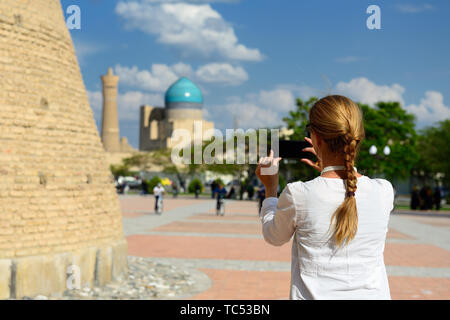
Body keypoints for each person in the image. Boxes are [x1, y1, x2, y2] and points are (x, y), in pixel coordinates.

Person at [256, 95, 394, 300]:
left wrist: (270, 189)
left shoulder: (299, 194)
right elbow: (341, 190)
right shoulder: (384, 190)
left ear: (316, 138)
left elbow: (274, 236)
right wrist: (328, 169)